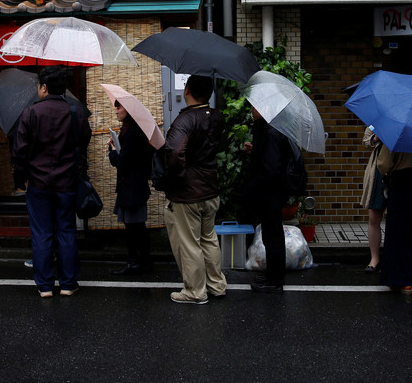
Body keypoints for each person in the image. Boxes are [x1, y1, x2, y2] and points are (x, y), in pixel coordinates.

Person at [12, 65, 91, 298]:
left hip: (38, 183)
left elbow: (20, 152)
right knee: (67, 231)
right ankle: (68, 283)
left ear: (44, 87)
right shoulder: (76, 111)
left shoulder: (30, 113)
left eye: (39, 86)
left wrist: (22, 179)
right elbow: (83, 141)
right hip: (67, 182)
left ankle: (45, 285)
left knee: (42, 233)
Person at [158, 75, 227, 304]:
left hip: (188, 193)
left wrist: (176, 178)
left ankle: (195, 292)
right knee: (209, 239)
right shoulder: (216, 117)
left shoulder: (184, 121)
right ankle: (216, 285)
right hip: (210, 188)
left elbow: (176, 153)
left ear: (187, 90)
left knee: (189, 244)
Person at [242, 106, 292, 293]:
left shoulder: (271, 132)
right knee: (272, 234)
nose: (252, 111)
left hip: (269, 192)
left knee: (272, 235)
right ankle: (274, 275)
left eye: (254, 107)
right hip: (271, 192)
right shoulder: (272, 129)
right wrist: (255, 151)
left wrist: (255, 185)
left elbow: (270, 168)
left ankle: (274, 280)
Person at [107, 99, 154, 276]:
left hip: (132, 187)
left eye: (119, 107)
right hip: (134, 186)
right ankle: (142, 261)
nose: (116, 110)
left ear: (128, 110)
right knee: (136, 226)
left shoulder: (131, 133)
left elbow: (122, 162)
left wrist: (112, 150)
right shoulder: (133, 131)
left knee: (135, 227)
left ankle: (137, 262)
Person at [378, 142, 412, 294]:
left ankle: (401, 280)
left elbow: (384, 164)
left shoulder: (395, 138)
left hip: (402, 182)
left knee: (399, 232)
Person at [359, 126, 386, 273]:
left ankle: (394, 258)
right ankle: (374, 259)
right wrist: (377, 137)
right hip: (379, 172)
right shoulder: (377, 119)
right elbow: (366, 141)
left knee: (398, 220)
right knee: (374, 216)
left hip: (400, 171)